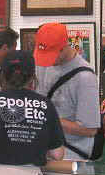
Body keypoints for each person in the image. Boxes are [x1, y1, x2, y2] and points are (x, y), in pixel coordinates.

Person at [34, 22, 100, 160]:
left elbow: (90, 130)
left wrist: (48, 119)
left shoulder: (85, 79)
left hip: (70, 154)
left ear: (64, 47)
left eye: (50, 55)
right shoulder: (42, 65)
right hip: (44, 148)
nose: (47, 61)